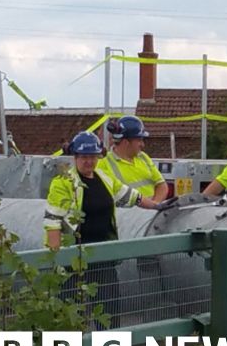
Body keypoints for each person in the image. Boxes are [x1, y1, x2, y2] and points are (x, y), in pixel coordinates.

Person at [44, 131, 159, 328]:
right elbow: (53, 222)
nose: (89, 162)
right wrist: (57, 261)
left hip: (104, 257)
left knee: (109, 313)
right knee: (70, 315)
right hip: (75, 260)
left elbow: (131, 196)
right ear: (75, 157)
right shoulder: (63, 183)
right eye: (84, 157)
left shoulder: (104, 178)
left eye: (93, 157)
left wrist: (157, 206)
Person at [97, 115, 168, 203]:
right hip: (126, 216)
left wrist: (154, 206)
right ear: (126, 142)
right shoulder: (103, 166)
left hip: (151, 215)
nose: (142, 144)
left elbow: (161, 185)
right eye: (139, 140)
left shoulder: (143, 157)